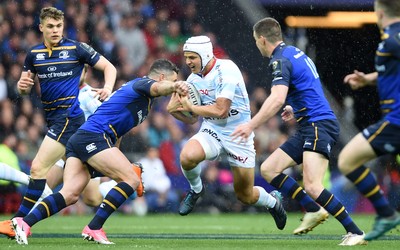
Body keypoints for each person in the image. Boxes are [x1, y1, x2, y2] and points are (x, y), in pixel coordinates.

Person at [10, 58, 188, 245]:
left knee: (69, 194)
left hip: (84, 139)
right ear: (161, 77)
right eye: (173, 80)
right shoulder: (145, 84)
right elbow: (160, 88)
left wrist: (115, 157)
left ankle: (24, 223)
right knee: (132, 179)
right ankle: (94, 227)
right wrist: (177, 87)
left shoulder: (145, 99)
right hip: (94, 137)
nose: (174, 85)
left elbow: (119, 131)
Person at [230, 18, 366, 246]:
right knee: (269, 169)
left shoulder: (279, 61)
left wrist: (251, 125)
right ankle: (313, 209)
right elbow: (309, 86)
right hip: (310, 123)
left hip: (318, 125)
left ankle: (355, 231)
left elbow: (276, 98)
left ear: (262, 40)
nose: (256, 45)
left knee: (313, 185)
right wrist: (297, 108)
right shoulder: (294, 52)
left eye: (256, 41)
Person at [0, 6, 116, 238]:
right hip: (54, 121)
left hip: (68, 120)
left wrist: (107, 88)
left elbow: (109, 67)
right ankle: (128, 176)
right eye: (50, 26)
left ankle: (18, 223)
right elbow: (25, 88)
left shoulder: (75, 48)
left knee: (37, 169)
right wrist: (23, 89)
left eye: (59, 26)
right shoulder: (34, 55)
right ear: (41, 27)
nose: (55, 30)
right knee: (89, 195)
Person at [167, 35, 287, 230]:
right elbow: (193, 119)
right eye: (186, 57)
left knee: (244, 195)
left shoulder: (227, 69)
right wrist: (175, 112)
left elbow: (221, 109)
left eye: (192, 57)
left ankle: (273, 202)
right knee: (187, 156)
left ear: (205, 55)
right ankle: (197, 190)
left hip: (238, 133)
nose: (187, 62)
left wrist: (190, 107)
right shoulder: (192, 79)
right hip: (212, 130)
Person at [339, 0, 400, 241]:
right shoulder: (391, 39)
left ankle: (386, 214)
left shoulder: (393, 38)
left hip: (396, 122)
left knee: (347, 161)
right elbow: (391, 72)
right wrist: (367, 79)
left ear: (380, 12)